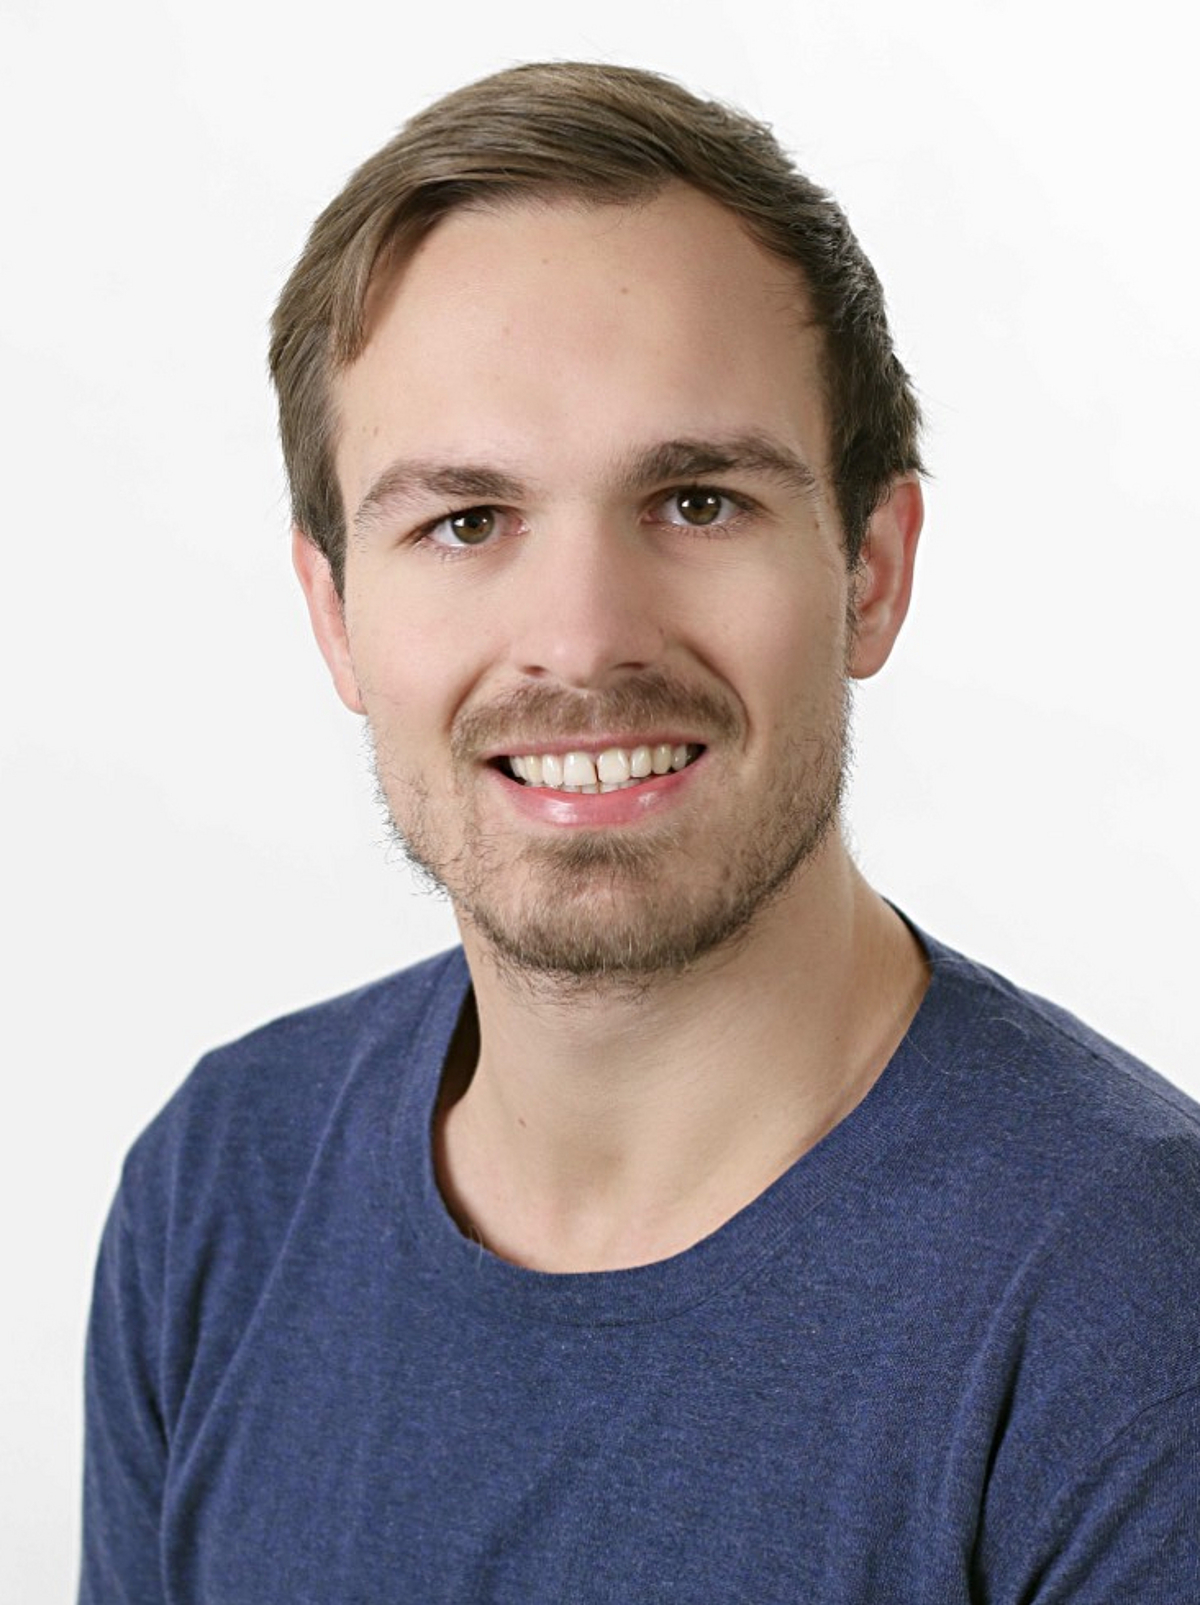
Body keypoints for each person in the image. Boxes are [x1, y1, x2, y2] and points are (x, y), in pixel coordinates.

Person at [79, 61, 1199, 1603]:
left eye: (697, 501)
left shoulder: (1126, 1301)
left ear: (872, 570)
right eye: (465, 521)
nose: (583, 637)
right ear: (334, 615)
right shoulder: (219, 1192)